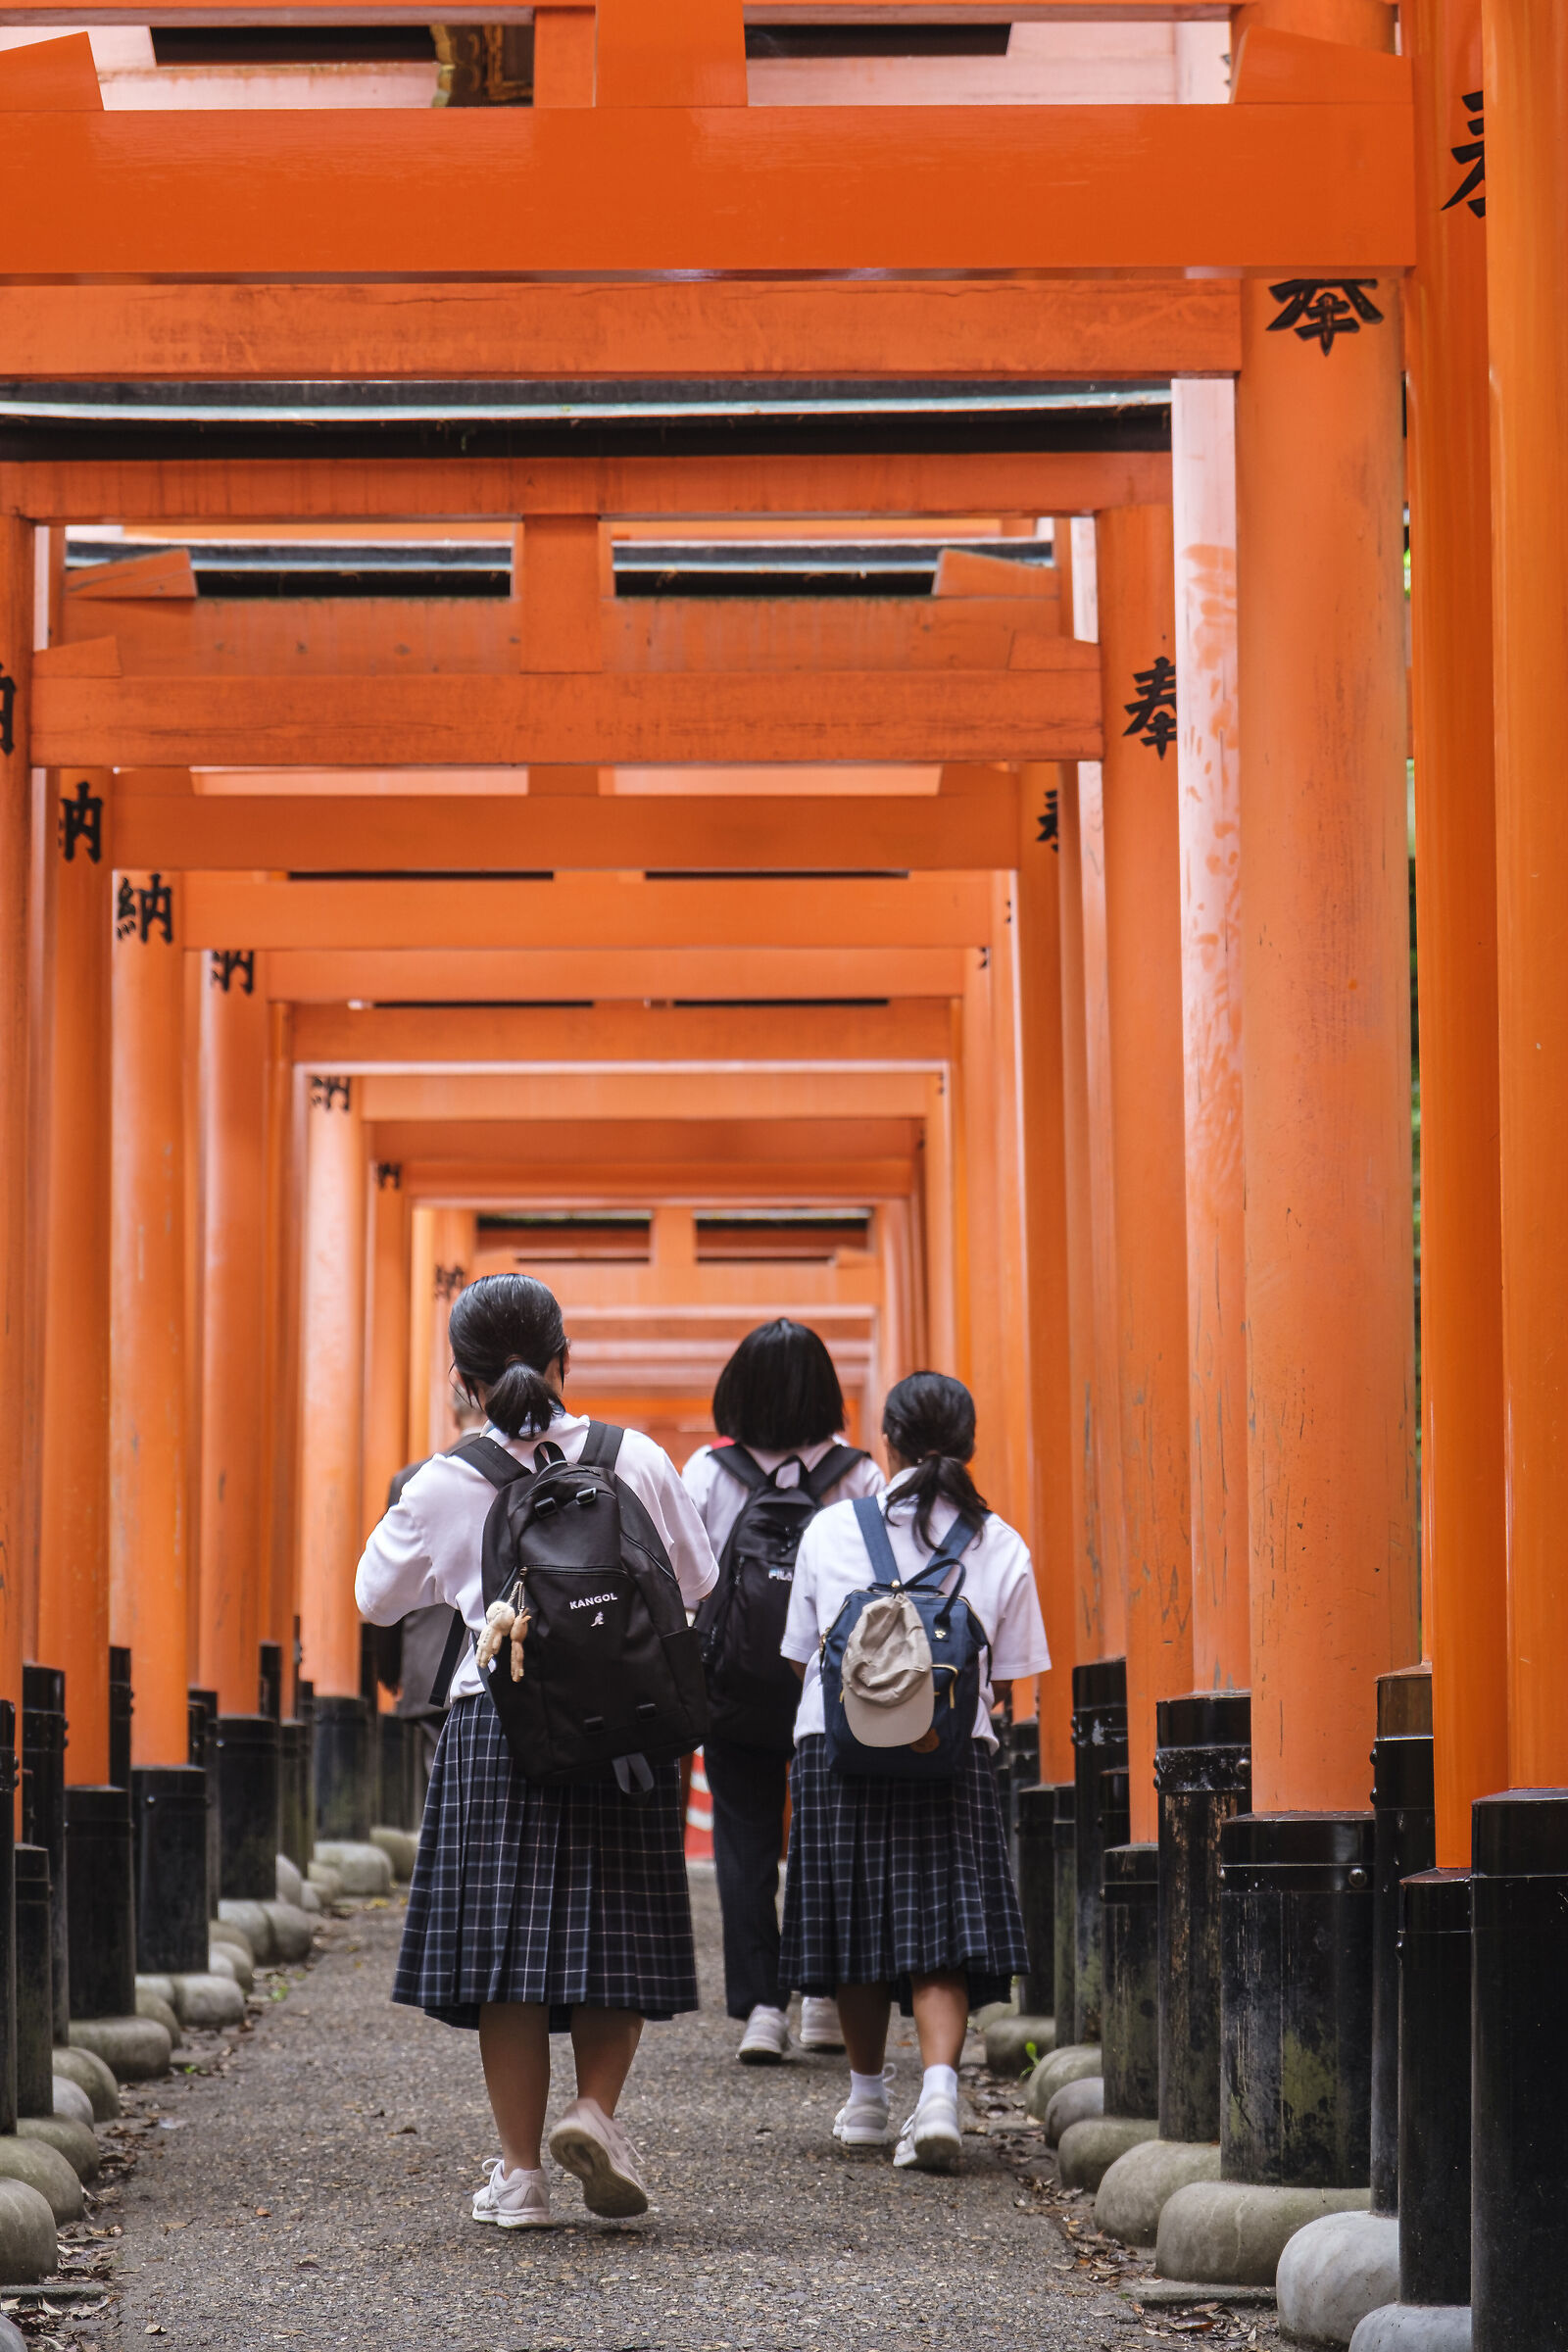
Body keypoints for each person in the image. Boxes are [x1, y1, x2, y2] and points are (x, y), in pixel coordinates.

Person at [356, 1272, 719, 2230]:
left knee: (507, 1961)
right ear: (565, 1364)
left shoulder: (445, 1481)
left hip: (497, 1720)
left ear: (463, 1381)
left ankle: (520, 2177)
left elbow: (374, 1599)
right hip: (625, 1725)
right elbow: (698, 1578)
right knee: (614, 1937)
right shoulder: (632, 1457)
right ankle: (594, 2112)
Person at [777, 1369, 1050, 2173]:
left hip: (837, 1747)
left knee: (856, 1923)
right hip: (951, 1751)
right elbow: (1007, 1679)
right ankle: (937, 2092)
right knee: (940, 1930)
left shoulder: (830, 1530)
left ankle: (866, 2099)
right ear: (968, 1447)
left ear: (886, 1441)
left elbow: (802, 1658)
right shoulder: (998, 1543)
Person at [682, 1320, 884, 2065]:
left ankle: (762, 2008)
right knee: (825, 1838)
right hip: (833, 1690)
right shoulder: (858, 1477)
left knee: (743, 1841)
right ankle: (823, 2000)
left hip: (734, 1687)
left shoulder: (708, 1471)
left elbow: (679, 1579)